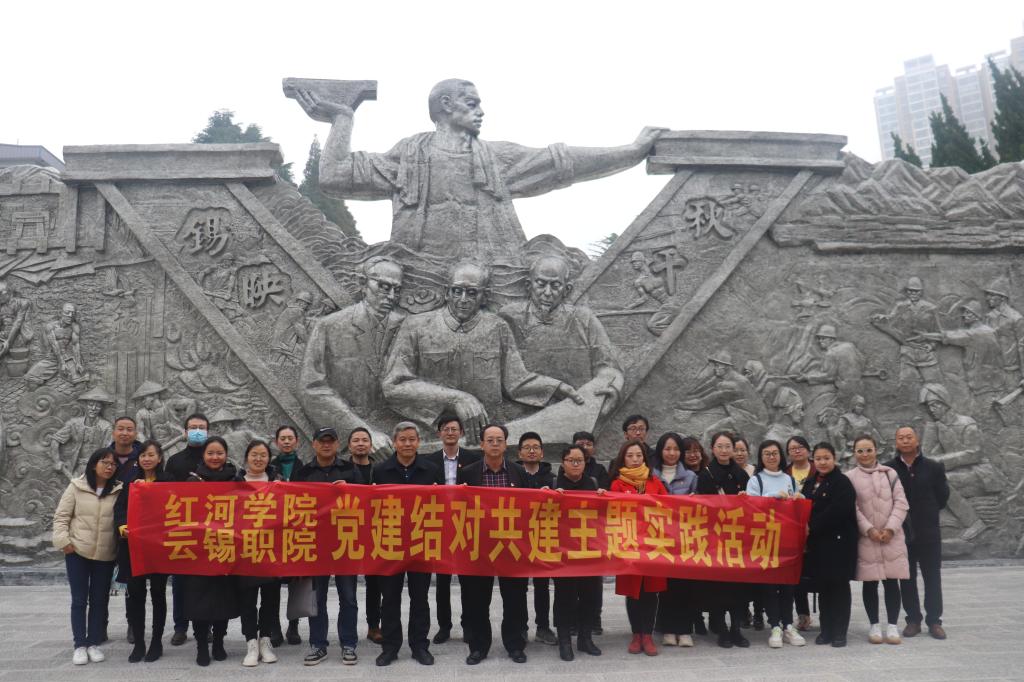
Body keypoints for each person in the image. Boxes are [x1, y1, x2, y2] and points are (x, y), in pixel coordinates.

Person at [303, 77, 662, 265]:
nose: (481, 112)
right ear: (446, 105)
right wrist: (343, 119)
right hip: (418, 283)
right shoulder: (409, 156)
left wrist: (629, 152)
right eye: (472, 103)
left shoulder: (497, 158)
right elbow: (335, 176)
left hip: (493, 281)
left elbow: (560, 162)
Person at [382, 262, 582, 441]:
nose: (463, 299)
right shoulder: (415, 326)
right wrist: (456, 398)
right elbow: (394, 386)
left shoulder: (497, 327)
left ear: (484, 296)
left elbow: (517, 382)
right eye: (457, 291)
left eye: (472, 293)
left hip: (486, 438)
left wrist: (558, 388)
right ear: (446, 292)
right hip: (431, 436)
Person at [299, 257, 402, 457]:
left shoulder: (408, 327)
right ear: (363, 283)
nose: (391, 296)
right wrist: (360, 432)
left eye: (396, 290)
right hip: (351, 447)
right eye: (383, 287)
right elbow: (311, 388)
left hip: (402, 440)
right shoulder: (329, 326)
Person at [499, 255, 624, 416]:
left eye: (555, 285)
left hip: (576, 411)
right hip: (520, 413)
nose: (547, 292)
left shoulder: (584, 318)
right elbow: (503, 373)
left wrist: (611, 385)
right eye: (541, 284)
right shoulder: (509, 317)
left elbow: (607, 365)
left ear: (567, 289)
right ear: (529, 285)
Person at [457, 423, 530, 665]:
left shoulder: (518, 473)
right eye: (490, 440)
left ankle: (515, 645)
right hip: (479, 547)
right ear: (482, 444)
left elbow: (530, 506)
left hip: (512, 546)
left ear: (506, 444)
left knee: (515, 599)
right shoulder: (468, 473)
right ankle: (478, 647)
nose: (495, 444)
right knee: (477, 600)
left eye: (499, 440)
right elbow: (458, 507)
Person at [291, 427, 364, 666]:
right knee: (317, 597)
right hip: (315, 544)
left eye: (330, 441)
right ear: (313, 444)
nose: (326, 445)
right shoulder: (303, 473)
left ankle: (349, 643)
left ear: (337, 444)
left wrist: (350, 490)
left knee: (348, 597)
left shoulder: (350, 471)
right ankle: (318, 644)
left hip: (345, 542)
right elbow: (292, 506)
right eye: (322, 441)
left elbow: (365, 502)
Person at [371, 422, 442, 667]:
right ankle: (390, 647)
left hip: (421, 542)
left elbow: (443, 505)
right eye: (403, 439)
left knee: (419, 598)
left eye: (412, 439)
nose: (408, 444)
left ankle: (419, 645)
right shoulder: (380, 470)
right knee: (390, 598)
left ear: (418, 442)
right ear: (395, 442)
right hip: (390, 543)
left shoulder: (431, 470)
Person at [52, 448, 123, 665]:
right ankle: (79, 645)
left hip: (105, 554)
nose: (109, 467)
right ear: (94, 464)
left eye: (113, 464)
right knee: (79, 600)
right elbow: (61, 517)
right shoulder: (77, 486)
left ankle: (93, 643)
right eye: (105, 462)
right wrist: (64, 542)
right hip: (78, 552)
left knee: (99, 601)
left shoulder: (118, 490)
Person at [886, 425, 950, 640]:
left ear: (917, 440)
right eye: (901, 438)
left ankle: (935, 621)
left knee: (932, 577)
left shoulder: (934, 467)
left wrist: (926, 513)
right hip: (902, 532)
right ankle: (913, 619)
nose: (905, 441)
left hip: (928, 531)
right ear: (896, 442)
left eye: (909, 437)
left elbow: (942, 497)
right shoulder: (889, 469)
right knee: (907, 578)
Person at [847, 434, 909, 646]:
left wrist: (891, 528)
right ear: (854, 453)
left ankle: (892, 625)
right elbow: (852, 508)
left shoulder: (890, 474)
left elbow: (901, 503)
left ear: (876, 451)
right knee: (870, 583)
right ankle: (874, 624)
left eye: (869, 450)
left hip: (891, 536)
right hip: (867, 537)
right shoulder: (850, 477)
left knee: (892, 582)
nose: (865, 454)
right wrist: (869, 529)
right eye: (860, 451)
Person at [424, 414, 481, 644]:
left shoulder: (473, 459)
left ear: (461, 433)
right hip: (439, 526)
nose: (450, 433)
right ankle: (444, 626)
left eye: (454, 429)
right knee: (442, 581)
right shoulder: (429, 461)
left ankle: (468, 625)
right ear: (439, 433)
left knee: (468, 581)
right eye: (446, 429)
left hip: (465, 525)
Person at [182, 436, 239, 666]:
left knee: (222, 600)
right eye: (210, 453)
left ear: (226, 455)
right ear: (203, 455)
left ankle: (219, 642)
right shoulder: (192, 481)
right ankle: (201, 646)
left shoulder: (236, 480)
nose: (215, 457)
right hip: (199, 551)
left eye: (219, 453)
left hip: (226, 548)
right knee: (199, 601)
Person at [114, 440, 171, 662]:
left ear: (159, 458)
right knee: (136, 594)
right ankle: (139, 642)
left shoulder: (168, 481)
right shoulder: (130, 482)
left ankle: (156, 642)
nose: (146, 459)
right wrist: (122, 526)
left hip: (158, 547)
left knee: (158, 594)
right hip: (133, 546)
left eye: (151, 455)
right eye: (143, 455)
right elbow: (119, 509)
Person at [745, 440, 805, 648]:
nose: (771, 457)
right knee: (770, 586)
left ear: (781, 455)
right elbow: (751, 507)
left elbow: (799, 508)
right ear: (761, 457)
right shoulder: (756, 480)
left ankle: (788, 624)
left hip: (787, 539)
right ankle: (775, 626)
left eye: (775, 453)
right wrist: (772, 497)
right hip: (765, 540)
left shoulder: (789, 479)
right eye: (767, 454)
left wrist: (800, 498)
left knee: (788, 585)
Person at [609, 439, 667, 655]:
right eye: (630, 455)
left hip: (653, 544)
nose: (634, 459)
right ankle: (636, 634)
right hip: (629, 544)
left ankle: (648, 635)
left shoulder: (655, 482)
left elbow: (670, 506)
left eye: (638, 455)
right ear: (623, 459)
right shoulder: (617, 484)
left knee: (651, 592)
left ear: (645, 458)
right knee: (633, 592)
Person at [696, 431, 751, 648]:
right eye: (720, 446)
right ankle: (721, 629)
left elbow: (752, 506)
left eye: (728, 446)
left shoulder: (742, 475)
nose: (724, 450)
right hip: (716, 538)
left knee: (739, 587)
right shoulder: (706, 474)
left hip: (738, 538)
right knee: (718, 587)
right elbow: (703, 507)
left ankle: (736, 628)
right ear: (713, 449)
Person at [551, 445, 605, 661]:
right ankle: (564, 640)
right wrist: (548, 497)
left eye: (579, 461)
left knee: (590, 596)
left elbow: (603, 516)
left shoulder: (593, 484)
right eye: (571, 460)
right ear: (563, 463)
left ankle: (585, 638)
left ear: (585, 463)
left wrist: (603, 498)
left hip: (589, 550)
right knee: (564, 596)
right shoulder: (554, 484)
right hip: (563, 552)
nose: (575, 464)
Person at [802, 442, 858, 647]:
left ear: (834, 458)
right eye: (818, 459)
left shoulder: (842, 482)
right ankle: (826, 630)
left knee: (839, 586)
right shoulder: (810, 482)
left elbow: (837, 512)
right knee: (823, 586)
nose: (822, 462)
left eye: (826, 458)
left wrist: (812, 526)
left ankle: (840, 631)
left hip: (839, 544)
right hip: (818, 545)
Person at [163, 412, 210, 646]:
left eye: (202, 427)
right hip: (181, 530)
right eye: (193, 427)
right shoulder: (175, 461)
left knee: (206, 583)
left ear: (208, 432)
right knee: (180, 583)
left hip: (209, 530)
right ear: (185, 432)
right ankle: (180, 627)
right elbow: (165, 494)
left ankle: (205, 626)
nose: (197, 431)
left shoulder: (215, 459)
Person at [234, 440, 281, 667]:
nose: (259, 459)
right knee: (248, 600)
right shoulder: (236, 483)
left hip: (271, 550)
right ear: (246, 457)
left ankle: (265, 641)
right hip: (245, 551)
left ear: (269, 459)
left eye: (263, 455)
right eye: (254, 454)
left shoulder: (278, 483)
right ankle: (251, 642)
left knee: (270, 599)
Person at [651, 432, 699, 648]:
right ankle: (668, 629)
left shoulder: (691, 477)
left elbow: (702, 508)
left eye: (676, 449)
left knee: (685, 585)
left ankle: (685, 629)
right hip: (659, 539)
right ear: (660, 451)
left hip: (684, 539)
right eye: (667, 449)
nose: (671, 453)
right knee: (666, 586)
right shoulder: (651, 476)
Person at [346, 427, 382, 645]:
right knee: (347, 585)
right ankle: (348, 631)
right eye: (356, 440)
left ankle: (373, 626)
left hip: (375, 532)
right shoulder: (342, 470)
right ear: (349, 445)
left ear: (370, 444)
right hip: (348, 532)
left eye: (365, 440)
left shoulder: (380, 470)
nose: (360, 444)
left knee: (374, 584)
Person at [572, 429, 610, 636]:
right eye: (581, 443)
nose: (585, 447)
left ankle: (594, 619)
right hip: (570, 532)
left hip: (594, 531)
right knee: (571, 579)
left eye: (588, 443)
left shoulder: (600, 470)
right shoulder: (565, 468)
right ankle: (572, 621)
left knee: (594, 580)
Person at [269, 425, 303, 646]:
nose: (287, 442)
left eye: (290, 438)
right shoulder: (270, 467)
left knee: (296, 584)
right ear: (276, 442)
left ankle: (293, 626)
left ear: (297, 441)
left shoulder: (304, 467)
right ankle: (274, 627)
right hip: (273, 532)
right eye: (283, 438)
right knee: (272, 583)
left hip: (297, 531)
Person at [786, 435, 816, 631]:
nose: (797, 451)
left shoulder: (817, 470)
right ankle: (802, 614)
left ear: (807, 449)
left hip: (815, 528)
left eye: (800, 447)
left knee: (814, 571)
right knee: (795, 574)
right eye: (792, 448)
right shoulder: (785, 473)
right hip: (791, 529)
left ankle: (826, 613)